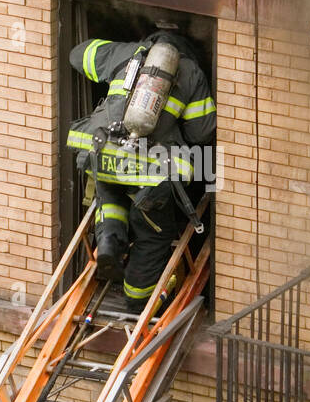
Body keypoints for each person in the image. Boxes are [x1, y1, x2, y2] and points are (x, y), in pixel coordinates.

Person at [67, 25, 216, 310]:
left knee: (109, 196)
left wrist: (116, 55)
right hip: (152, 171)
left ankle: (109, 243)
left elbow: (77, 55)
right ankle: (138, 300)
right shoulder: (191, 72)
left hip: (103, 153)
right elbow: (202, 132)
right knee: (152, 233)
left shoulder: (124, 54)